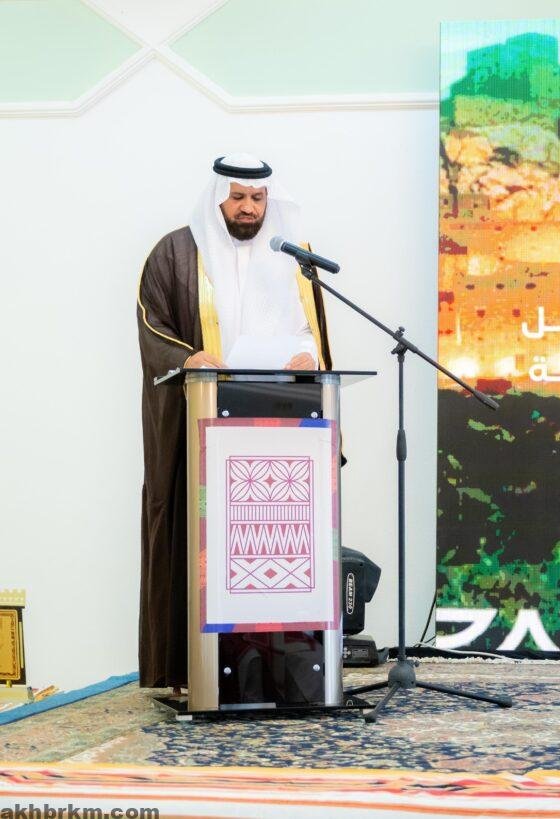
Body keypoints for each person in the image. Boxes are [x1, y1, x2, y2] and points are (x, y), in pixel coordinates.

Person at [136, 153, 332, 689]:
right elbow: (152, 325)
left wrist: (307, 356)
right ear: (218, 198)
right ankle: (196, 670)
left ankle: (284, 671)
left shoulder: (293, 257)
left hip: (278, 430)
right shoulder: (176, 254)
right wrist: (188, 358)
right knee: (201, 541)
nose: (249, 209)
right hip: (201, 426)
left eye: (258, 198)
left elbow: (309, 331)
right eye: (239, 197)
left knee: (271, 540)